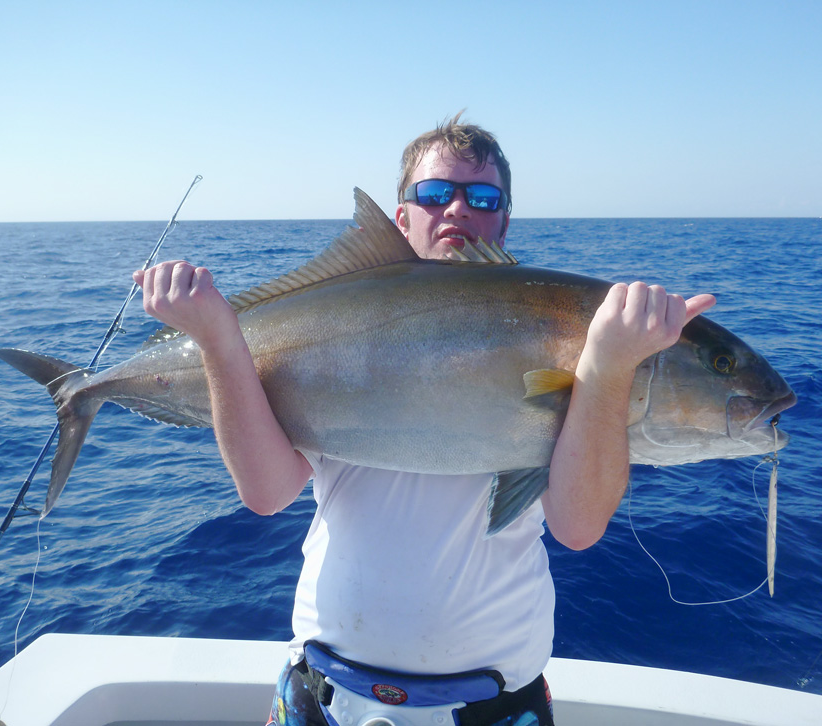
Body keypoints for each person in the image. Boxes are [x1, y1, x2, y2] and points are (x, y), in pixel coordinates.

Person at [133, 114, 715, 726]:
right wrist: (218, 339)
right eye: (435, 193)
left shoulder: (576, 333)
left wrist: (608, 368)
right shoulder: (339, 320)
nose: (458, 209)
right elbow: (267, 492)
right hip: (326, 691)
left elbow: (577, 526)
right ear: (400, 217)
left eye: (482, 198)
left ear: (504, 221)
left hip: (490, 706)